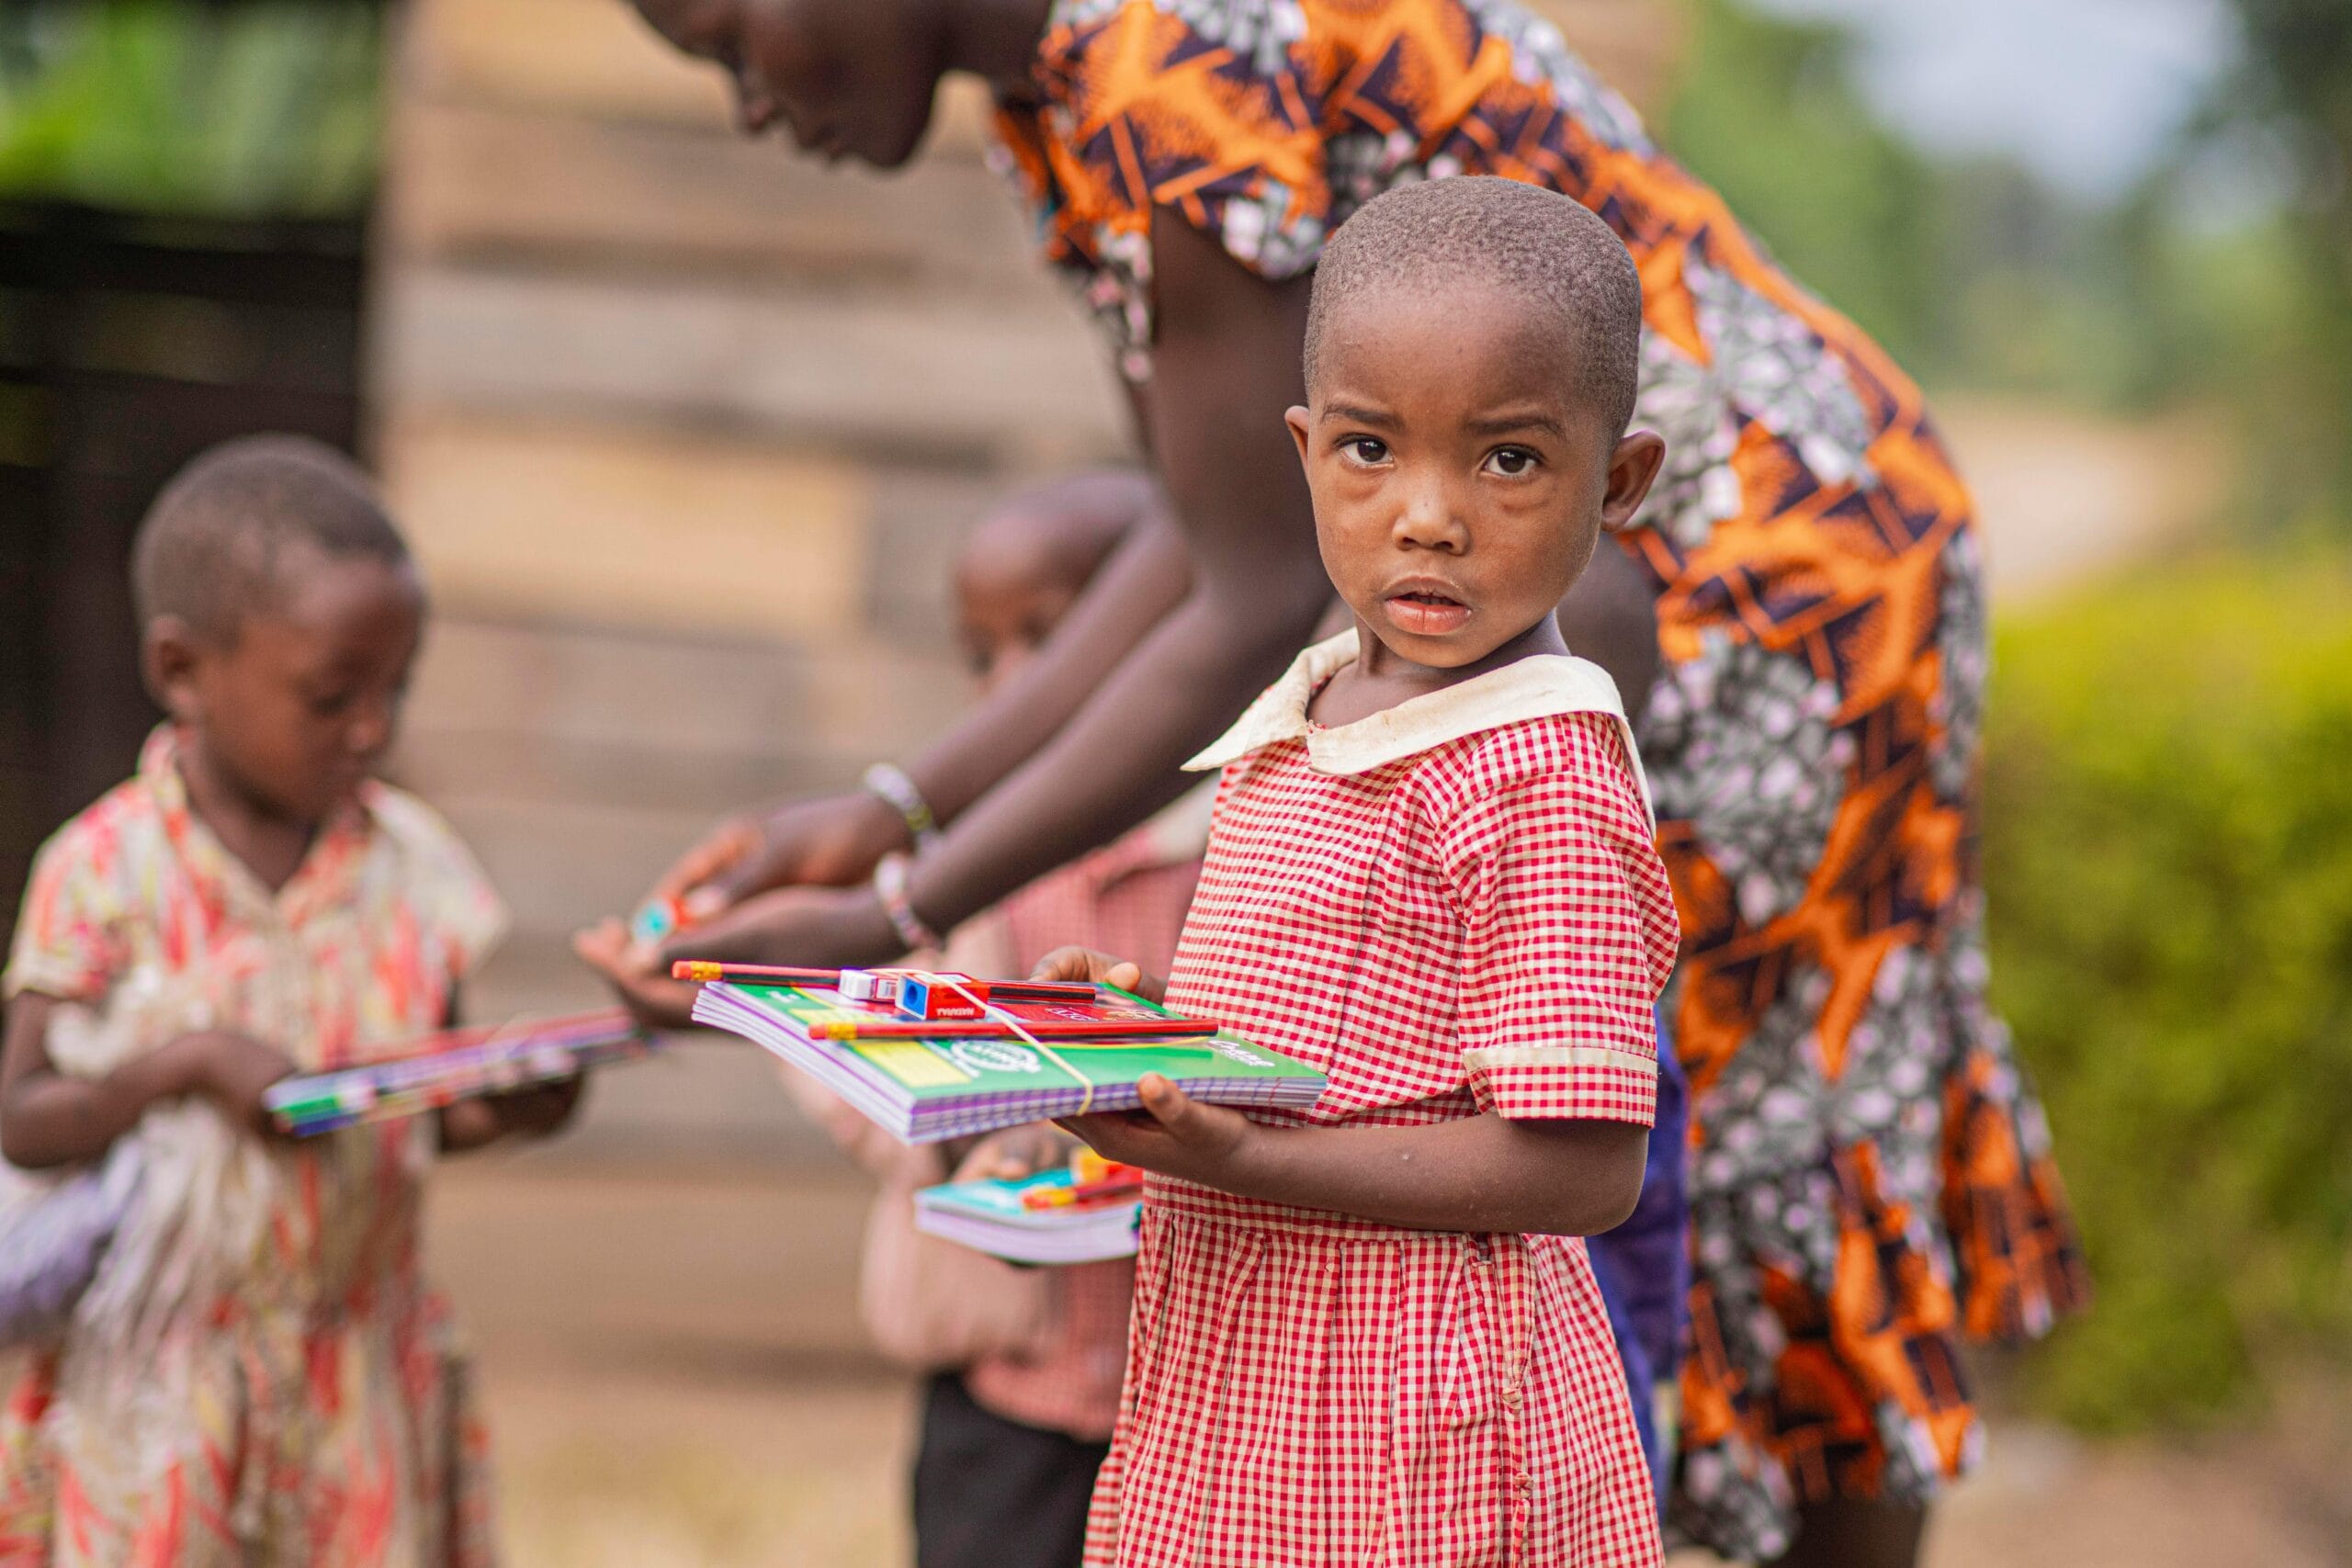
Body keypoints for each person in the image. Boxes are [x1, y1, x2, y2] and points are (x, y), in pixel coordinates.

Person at [590, 3, 2088, 1562]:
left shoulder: (1170, 61)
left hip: (1770, 596)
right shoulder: (1064, 105)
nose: (751, 103)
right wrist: (900, 817)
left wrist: (902, 896)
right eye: (1364, 452)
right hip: (1596, 608)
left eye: (734, 32)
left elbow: (1243, 591)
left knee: (1745, 1176)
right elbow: (1215, 530)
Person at [1025, 176, 1671, 1566]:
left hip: (1419, 1426)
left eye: (1509, 460)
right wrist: (1140, 1040)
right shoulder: (1310, 707)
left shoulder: (1536, 770)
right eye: (1371, 448)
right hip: (1244, 1383)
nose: (1427, 516)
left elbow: (1586, 1166)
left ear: (1618, 483)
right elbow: (1334, 1036)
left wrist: (1247, 1154)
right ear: (1306, 451)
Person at [0, 435, 580, 1565]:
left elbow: (428, 1110)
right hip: (158, 1394)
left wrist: (514, 1104)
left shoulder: (415, 871)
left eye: (395, 688)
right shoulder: (106, 873)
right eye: (331, 696)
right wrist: (188, 1065)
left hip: (355, 1370)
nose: (372, 727)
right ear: (183, 671)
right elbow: (22, 1116)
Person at [786, 476, 1207, 1568]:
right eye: (983, 654)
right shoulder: (953, 859)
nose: (1013, 686)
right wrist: (965, 1133)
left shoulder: (1240, 842)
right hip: (1001, 1391)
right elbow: (840, 1054)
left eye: (1050, 641)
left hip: (1201, 1400)